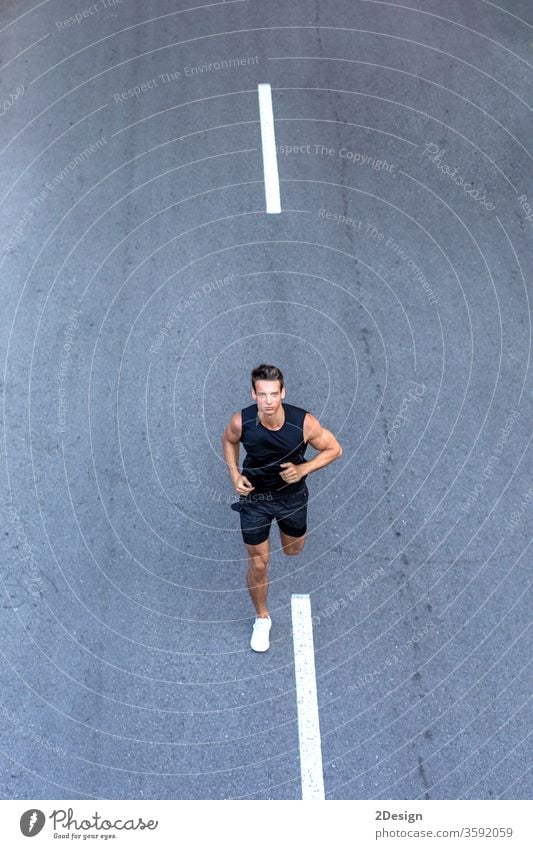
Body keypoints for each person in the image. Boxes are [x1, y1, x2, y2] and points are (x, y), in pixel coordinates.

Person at [221, 364, 343, 651]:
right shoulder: (242, 422)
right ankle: (262, 618)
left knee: (293, 549)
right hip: (255, 497)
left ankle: (284, 533)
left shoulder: (303, 424)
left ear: (283, 393)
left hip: (291, 497)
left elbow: (334, 449)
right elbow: (228, 440)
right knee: (259, 563)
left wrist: (303, 469)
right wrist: (234, 475)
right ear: (253, 394)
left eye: (274, 394)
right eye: (262, 395)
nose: (268, 402)